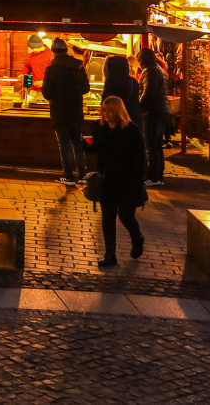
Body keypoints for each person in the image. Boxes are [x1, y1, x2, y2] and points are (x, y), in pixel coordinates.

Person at [88, 96, 147, 268]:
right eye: (104, 110)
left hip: (127, 181)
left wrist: (136, 184)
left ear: (119, 111)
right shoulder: (100, 127)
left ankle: (137, 237)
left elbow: (140, 160)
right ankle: (110, 254)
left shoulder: (132, 130)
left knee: (126, 217)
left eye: (110, 111)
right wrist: (85, 145)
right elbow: (97, 148)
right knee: (108, 218)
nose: (106, 114)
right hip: (107, 180)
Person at [41, 37, 91, 185]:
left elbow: (46, 93)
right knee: (78, 143)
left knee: (64, 144)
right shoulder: (78, 66)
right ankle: (83, 175)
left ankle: (68, 176)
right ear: (66, 51)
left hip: (59, 111)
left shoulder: (51, 69)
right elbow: (86, 88)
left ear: (54, 52)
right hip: (76, 110)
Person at [138, 47, 170, 187]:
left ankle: (153, 176)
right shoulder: (159, 70)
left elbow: (148, 94)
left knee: (151, 144)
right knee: (157, 144)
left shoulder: (150, 71)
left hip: (152, 113)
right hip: (161, 111)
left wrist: (138, 107)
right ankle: (159, 175)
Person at [102, 55, 142, 127]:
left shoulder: (111, 81)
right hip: (133, 119)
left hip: (118, 120)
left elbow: (105, 101)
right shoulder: (134, 81)